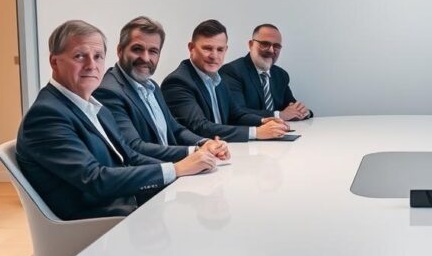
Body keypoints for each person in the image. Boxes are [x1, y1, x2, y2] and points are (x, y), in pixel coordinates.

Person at [16, 20, 218, 221]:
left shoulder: (95, 107)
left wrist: (182, 168)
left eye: (98, 56)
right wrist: (176, 169)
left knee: (208, 201)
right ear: (54, 62)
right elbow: (95, 179)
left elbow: (130, 156)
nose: (91, 65)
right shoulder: (46, 115)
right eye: (79, 56)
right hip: (97, 222)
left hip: (127, 204)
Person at [95, 16, 231, 163]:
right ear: (120, 51)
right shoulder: (109, 91)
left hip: (176, 168)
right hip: (156, 173)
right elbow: (134, 147)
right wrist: (194, 151)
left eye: (153, 51)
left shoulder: (152, 86)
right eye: (137, 49)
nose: (145, 58)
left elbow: (175, 129)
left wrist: (205, 143)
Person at [161, 19, 288, 142]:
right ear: (191, 48)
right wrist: (256, 132)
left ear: (226, 50)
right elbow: (200, 127)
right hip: (199, 153)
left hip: (223, 148)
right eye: (207, 48)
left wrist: (263, 121)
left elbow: (236, 114)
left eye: (220, 49)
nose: (214, 56)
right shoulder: (177, 82)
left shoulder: (218, 79)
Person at [220, 23, 313, 121]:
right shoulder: (232, 71)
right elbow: (237, 112)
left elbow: (291, 106)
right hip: (251, 130)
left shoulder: (281, 75)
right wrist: (278, 115)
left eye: (276, 46)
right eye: (265, 44)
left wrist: (304, 112)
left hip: (281, 129)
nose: (271, 50)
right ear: (251, 45)